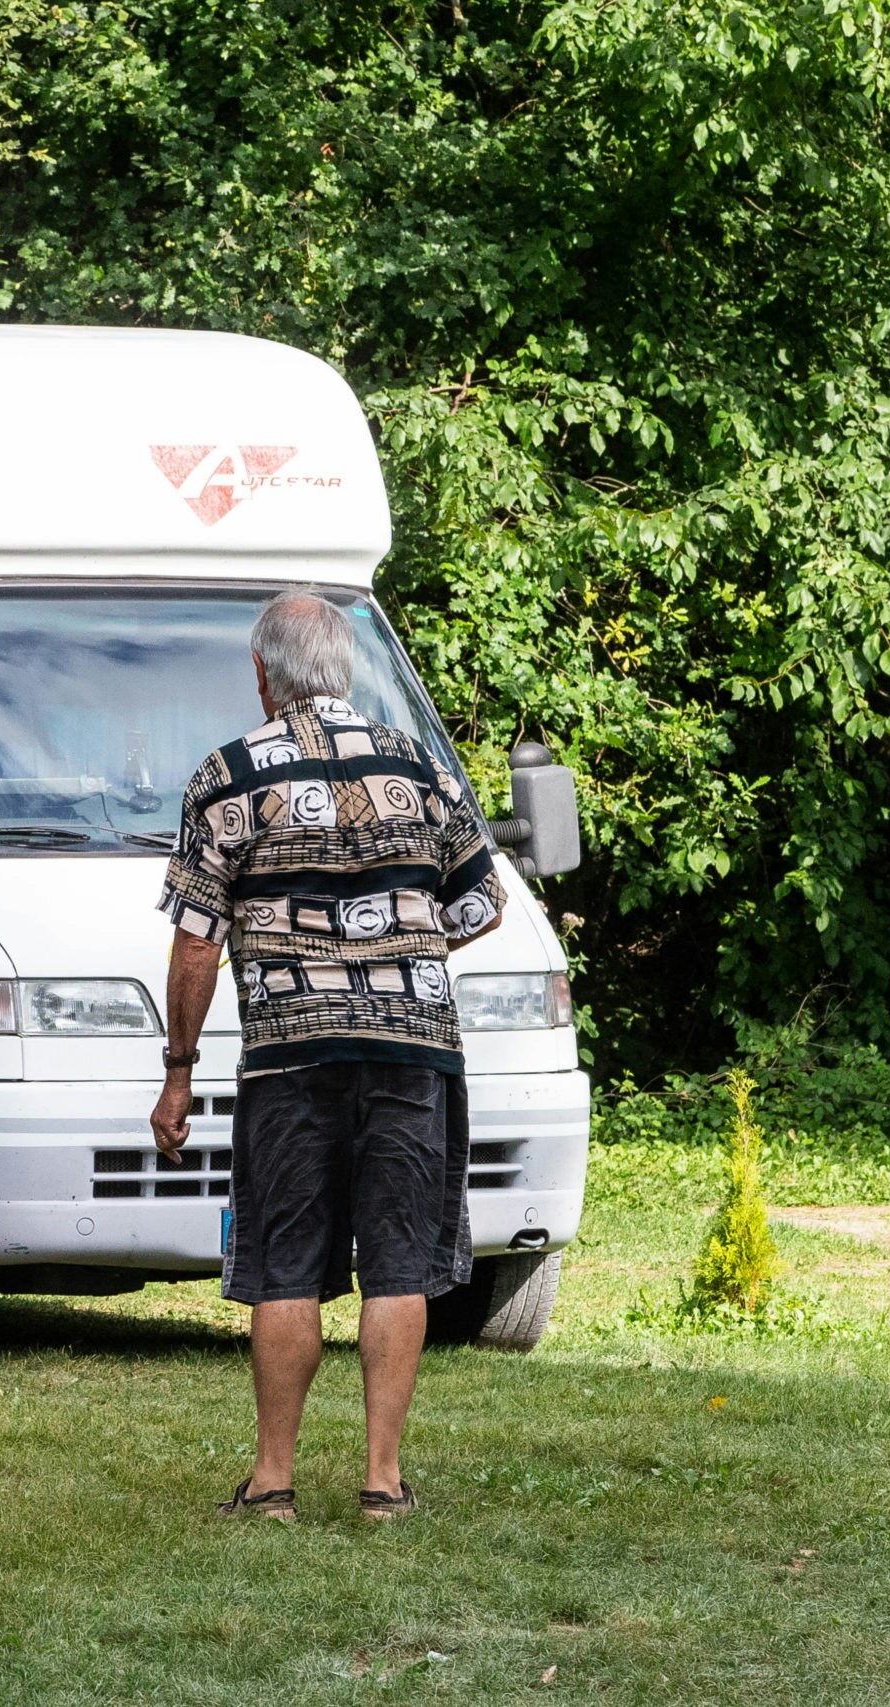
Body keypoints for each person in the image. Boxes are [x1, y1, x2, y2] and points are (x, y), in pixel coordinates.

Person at [150, 592, 504, 1521]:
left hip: (290, 1058)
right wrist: (394, 948)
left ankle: (272, 1481)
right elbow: (481, 904)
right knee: (398, 1260)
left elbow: (196, 943)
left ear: (263, 674)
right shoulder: (421, 766)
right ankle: (383, 1482)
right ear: (345, 668)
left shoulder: (226, 777)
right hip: (412, 1051)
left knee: (286, 1261)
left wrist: (179, 1070)